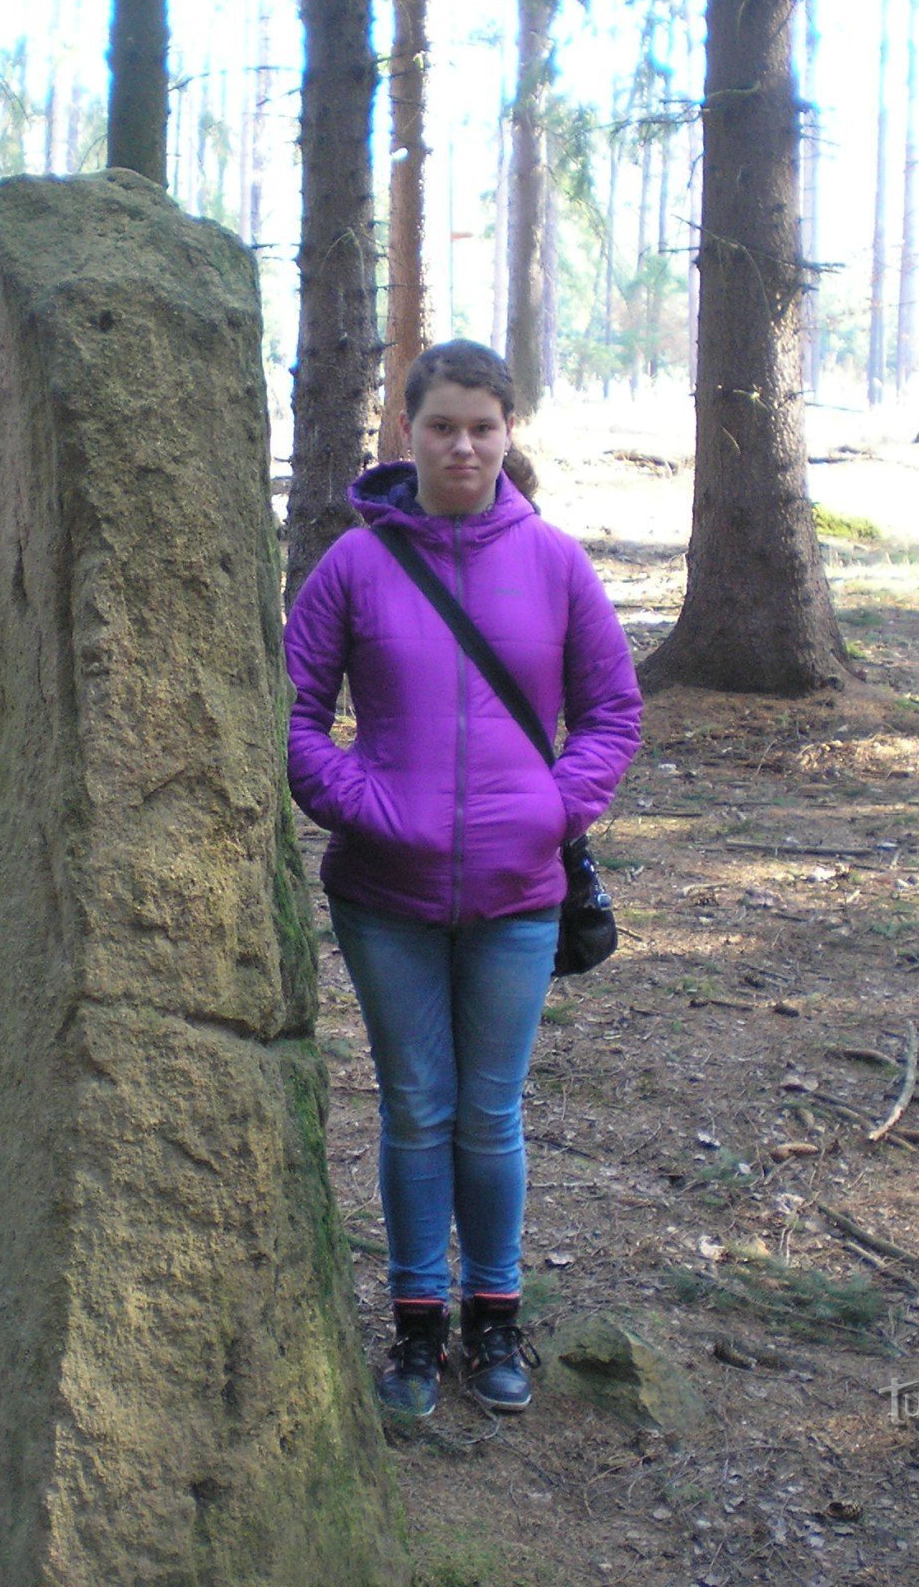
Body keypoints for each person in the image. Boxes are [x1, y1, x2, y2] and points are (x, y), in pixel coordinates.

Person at [283, 340, 643, 1416]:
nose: (463, 444)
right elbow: (293, 717)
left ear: (509, 431)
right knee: (414, 1107)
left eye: (484, 425)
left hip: (517, 896)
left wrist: (551, 808)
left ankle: (495, 1321)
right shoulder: (353, 566)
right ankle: (415, 1325)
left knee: (488, 1115)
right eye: (442, 424)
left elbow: (613, 715)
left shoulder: (556, 563)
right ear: (406, 431)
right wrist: (364, 802)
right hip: (382, 896)